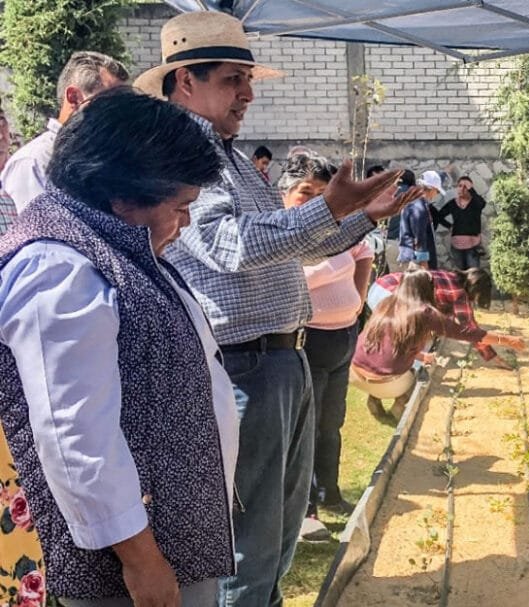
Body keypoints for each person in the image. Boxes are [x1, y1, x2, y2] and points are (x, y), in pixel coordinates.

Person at [132, 11, 413, 606]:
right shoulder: (186, 159)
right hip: (244, 367)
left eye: (247, 79)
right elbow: (231, 246)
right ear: (186, 82)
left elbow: (292, 242)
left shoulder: (230, 159)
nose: (248, 93)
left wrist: (358, 217)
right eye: (234, 78)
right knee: (247, 545)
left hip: (280, 360)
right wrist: (328, 210)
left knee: (279, 533)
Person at [0, 87, 233, 606]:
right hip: (125, 570)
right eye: (180, 206)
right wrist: (142, 561)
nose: (185, 222)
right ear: (125, 197)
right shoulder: (56, 268)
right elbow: (75, 434)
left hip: (170, 544)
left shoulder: (111, 245)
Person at [277, 153, 376, 541]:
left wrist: (356, 297)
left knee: (332, 424)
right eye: (307, 193)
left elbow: (363, 253)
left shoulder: (334, 227)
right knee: (305, 430)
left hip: (342, 336)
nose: (316, 201)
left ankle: (329, 493)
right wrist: (333, 267)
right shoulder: (280, 233)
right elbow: (296, 279)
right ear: (284, 192)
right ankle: (305, 512)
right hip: (308, 339)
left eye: (323, 193)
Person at [351, 269, 526, 416]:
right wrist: (507, 341)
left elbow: (391, 343)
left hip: (353, 373)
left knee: (392, 339)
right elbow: (467, 332)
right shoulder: (425, 311)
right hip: (387, 383)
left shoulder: (387, 304)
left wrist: (421, 355)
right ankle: (400, 404)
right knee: (421, 374)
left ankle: (374, 398)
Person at [1, 51, 128, 212]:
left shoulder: (105, 158)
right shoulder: (34, 162)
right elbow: (38, 233)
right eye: (110, 104)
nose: (121, 114)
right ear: (74, 98)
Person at [432, 175, 486, 270]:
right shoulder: (453, 203)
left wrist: (471, 189)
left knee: (473, 274)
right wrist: (449, 225)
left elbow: (482, 204)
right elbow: (438, 215)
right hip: (457, 246)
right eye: (460, 186)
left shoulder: (475, 203)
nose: (462, 189)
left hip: (473, 245)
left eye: (465, 187)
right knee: (461, 274)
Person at [398, 170, 442, 269]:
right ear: (431, 189)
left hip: (409, 254)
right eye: (437, 191)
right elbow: (419, 235)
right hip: (416, 260)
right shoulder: (419, 206)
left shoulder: (413, 202)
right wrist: (424, 262)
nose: (436, 194)